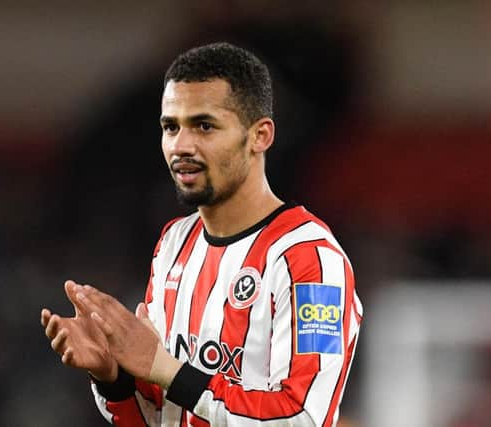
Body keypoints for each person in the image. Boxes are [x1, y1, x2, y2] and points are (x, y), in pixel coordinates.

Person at [40, 42, 363, 427]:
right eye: (170, 126)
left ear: (260, 136)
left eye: (204, 126)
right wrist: (114, 378)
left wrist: (166, 368)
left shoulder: (309, 258)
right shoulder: (174, 245)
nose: (181, 146)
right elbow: (157, 416)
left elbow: (303, 416)